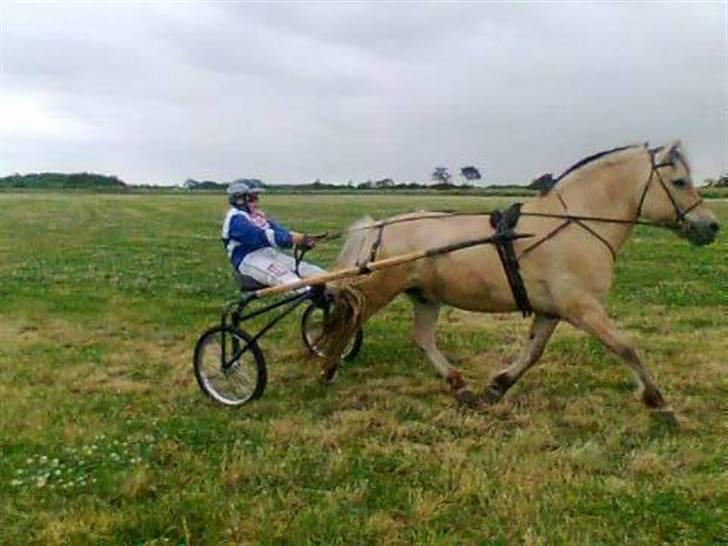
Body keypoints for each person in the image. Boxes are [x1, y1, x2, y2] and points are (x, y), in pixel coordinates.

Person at [221, 180, 326, 289]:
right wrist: (291, 238)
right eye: (252, 198)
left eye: (256, 197)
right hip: (248, 259)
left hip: (269, 253)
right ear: (239, 200)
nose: (256, 202)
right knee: (290, 280)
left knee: (313, 271)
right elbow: (260, 237)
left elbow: (278, 231)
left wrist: (301, 242)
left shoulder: (256, 216)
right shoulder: (235, 219)